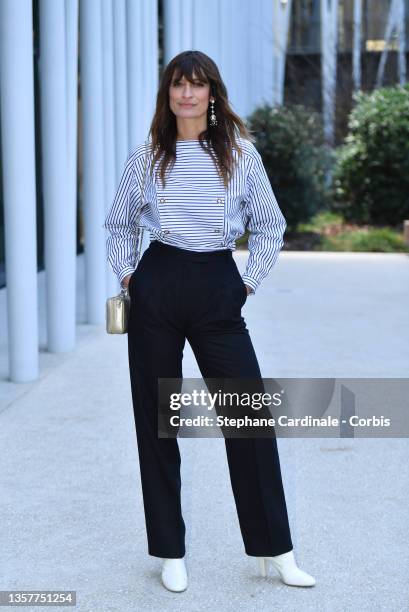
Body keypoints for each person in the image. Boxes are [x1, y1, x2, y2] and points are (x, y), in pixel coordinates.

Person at [103, 50, 315, 593]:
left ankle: (275, 549)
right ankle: (169, 551)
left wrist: (245, 283)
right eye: (178, 85)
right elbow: (119, 223)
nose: (187, 95)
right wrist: (131, 279)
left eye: (197, 85)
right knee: (158, 421)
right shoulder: (149, 155)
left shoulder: (240, 154)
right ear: (168, 94)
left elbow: (270, 225)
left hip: (218, 284)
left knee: (248, 417)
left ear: (213, 93)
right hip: (159, 282)